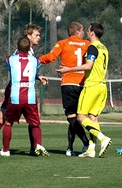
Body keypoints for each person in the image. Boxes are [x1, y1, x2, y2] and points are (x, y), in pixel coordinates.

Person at [0, 24, 48, 155]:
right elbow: (18, 70)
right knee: (3, 118)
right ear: (28, 37)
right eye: (36, 35)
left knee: (28, 120)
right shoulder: (20, 53)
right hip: (14, 90)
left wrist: (38, 77)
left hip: (21, 90)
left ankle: (33, 148)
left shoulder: (29, 53)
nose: (39, 38)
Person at [56, 23, 112, 158]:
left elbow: (88, 66)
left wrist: (67, 69)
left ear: (92, 33)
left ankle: (102, 137)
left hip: (91, 85)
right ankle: (91, 149)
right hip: (102, 86)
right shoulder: (104, 48)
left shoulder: (92, 47)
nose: (87, 32)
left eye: (88, 30)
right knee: (93, 117)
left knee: (81, 117)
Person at [39, 22, 91, 156]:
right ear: (78, 32)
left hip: (68, 83)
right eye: (83, 30)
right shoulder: (87, 44)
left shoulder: (63, 43)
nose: (84, 33)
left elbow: (50, 57)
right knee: (76, 117)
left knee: (72, 117)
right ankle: (70, 148)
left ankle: (86, 143)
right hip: (83, 83)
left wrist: (35, 60)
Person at [0, 37, 48, 157]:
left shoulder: (10, 59)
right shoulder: (35, 60)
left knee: (8, 123)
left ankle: (5, 150)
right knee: (35, 123)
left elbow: (10, 67)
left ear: (17, 48)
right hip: (30, 97)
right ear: (30, 48)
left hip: (15, 97)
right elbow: (36, 68)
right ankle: (38, 144)